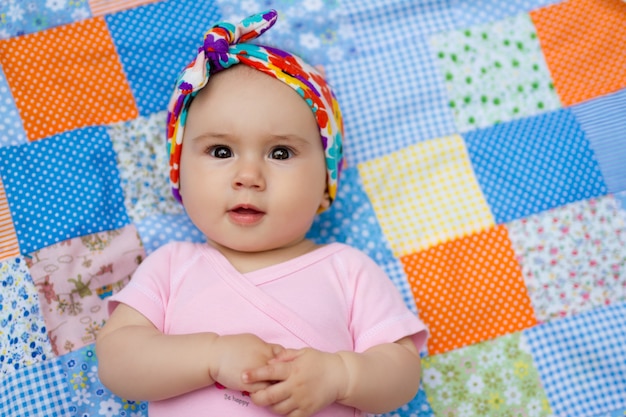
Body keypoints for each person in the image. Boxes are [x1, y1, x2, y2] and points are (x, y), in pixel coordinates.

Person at [96, 9, 428, 417]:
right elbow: (117, 361)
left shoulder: (349, 271)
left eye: (280, 152)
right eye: (221, 151)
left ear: (325, 188)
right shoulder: (170, 268)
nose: (249, 176)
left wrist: (340, 375)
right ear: (180, 176)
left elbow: (402, 375)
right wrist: (210, 356)